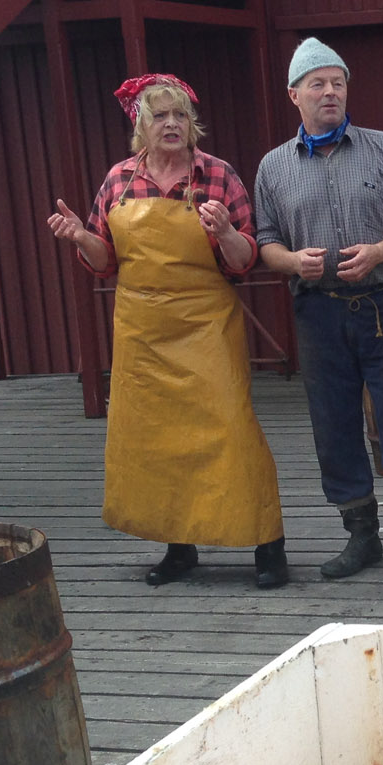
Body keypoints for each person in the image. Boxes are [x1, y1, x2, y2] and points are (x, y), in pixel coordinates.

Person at [46, 74, 288, 589]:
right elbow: (104, 259)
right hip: (142, 330)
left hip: (206, 324)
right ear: (141, 125)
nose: (173, 124)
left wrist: (224, 232)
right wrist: (79, 238)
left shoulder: (219, 176)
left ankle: (269, 545)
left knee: (233, 430)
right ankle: (180, 548)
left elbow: (246, 261)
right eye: (161, 116)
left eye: (180, 115)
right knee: (159, 442)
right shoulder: (117, 180)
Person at [253, 38, 383, 583]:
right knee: (333, 427)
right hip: (319, 311)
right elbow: (265, 241)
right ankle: (361, 536)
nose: (330, 91)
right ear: (295, 95)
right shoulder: (273, 168)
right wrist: (292, 262)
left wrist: (381, 251)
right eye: (318, 83)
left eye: (338, 82)